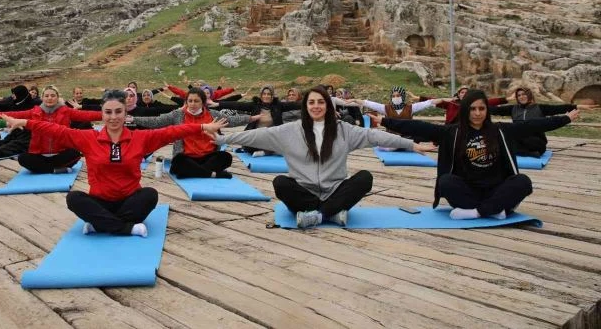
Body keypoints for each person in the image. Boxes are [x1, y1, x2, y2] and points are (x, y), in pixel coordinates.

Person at [2, 90, 227, 237]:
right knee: (74, 198)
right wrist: (24, 122)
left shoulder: (141, 138)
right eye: (108, 112)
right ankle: (125, 228)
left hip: (130, 201)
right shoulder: (88, 138)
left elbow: (171, 132)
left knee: (150, 195)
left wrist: (202, 127)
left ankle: (100, 225)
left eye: (118, 111)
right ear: (101, 114)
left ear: (125, 112)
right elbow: (55, 130)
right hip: (100, 202)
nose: (113, 117)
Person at [213, 86, 436, 228]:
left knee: (365, 178)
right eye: (311, 102)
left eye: (321, 102)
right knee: (280, 183)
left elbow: (375, 136)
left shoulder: (343, 130)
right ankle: (331, 213)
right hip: (304, 192)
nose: (316, 106)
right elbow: (256, 135)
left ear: (328, 106)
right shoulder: (290, 130)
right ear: (305, 106)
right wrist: (223, 139)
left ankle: (317, 216)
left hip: (334, 190)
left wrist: (411, 145)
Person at [376, 89, 579, 220]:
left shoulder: (500, 130)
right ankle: (495, 210)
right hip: (467, 191)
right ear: (466, 110)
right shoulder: (453, 132)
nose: (477, 113)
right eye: (472, 109)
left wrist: (565, 119)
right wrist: (385, 121)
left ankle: (477, 212)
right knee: (445, 182)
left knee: (523, 182)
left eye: (482, 108)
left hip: (496, 188)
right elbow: (420, 127)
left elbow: (533, 125)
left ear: (487, 111)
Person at [131, 87, 256, 178]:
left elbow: (232, 120)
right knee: (178, 162)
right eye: (190, 101)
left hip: (208, 156)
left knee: (226, 157)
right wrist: (133, 119)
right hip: (187, 157)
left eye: (196, 101)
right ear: (186, 102)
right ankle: (212, 174)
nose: (192, 104)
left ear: (203, 102)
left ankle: (195, 172)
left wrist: (253, 118)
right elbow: (157, 121)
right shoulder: (178, 115)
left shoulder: (213, 114)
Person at [0, 85, 102, 174]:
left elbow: (87, 115)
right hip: (39, 154)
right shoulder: (34, 112)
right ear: (42, 98)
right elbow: (14, 114)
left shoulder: (66, 111)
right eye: (47, 96)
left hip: (61, 153)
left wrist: (106, 115)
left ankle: (43, 169)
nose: (49, 98)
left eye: (53, 95)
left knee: (75, 154)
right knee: (23, 158)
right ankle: (54, 169)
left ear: (57, 97)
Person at [213, 85, 301, 157]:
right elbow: (237, 105)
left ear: (272, 96)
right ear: (261, 95)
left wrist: (308, 103)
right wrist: (218, 104)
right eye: (264, 94)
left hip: (272, 136)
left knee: (287, 145)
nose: (266, 96)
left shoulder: (278, 106)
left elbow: (294, 105)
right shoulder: (255, 105)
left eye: (269, 94)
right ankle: (270, 150)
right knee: (248, 147)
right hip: (256, 135)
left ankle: (267, 151)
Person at [489, 87, 578, 157]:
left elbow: (559, 108)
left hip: (535, 141)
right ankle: (527, 153)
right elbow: (491, 108)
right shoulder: (513, 109)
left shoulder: (539, 108)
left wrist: (577, 106)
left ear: (529, 95)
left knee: (536, 145)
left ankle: (522, 152)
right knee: (505, 138)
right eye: (519, 95)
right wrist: (507, 99)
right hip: (518, 140)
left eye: (524, 94)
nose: (521, 97)